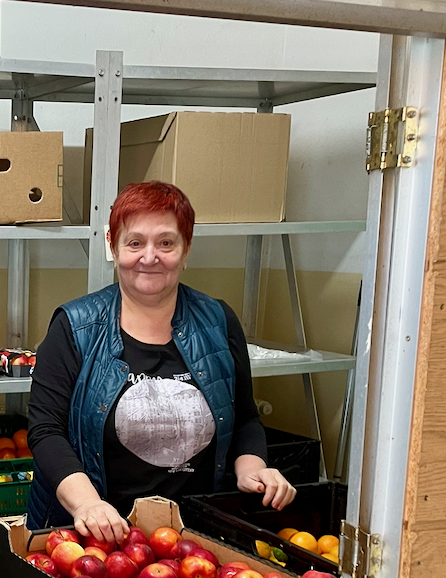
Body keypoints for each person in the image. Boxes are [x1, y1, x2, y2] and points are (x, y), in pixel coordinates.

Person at [26, 180, 294, 545]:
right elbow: (46, 430)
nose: (149, 257)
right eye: (135, 243)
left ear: (186, 249)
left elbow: (245, 417)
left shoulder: (218, 321)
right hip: (98, 539)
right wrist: (87, 504)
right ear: (113, 246)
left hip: (196, 538)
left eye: (166, 243)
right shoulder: (75, 327)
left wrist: (253, 468)